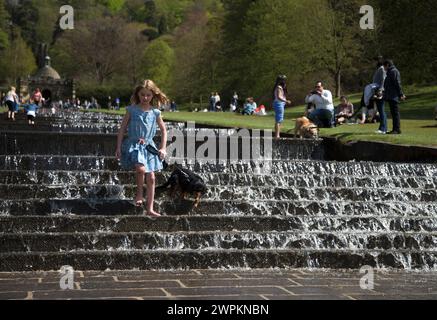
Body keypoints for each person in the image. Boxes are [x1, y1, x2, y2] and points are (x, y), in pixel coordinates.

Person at [116, 80, 168, 217]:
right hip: (134, 144)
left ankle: (150, 208)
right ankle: (139, 194)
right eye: (142, 95)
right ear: (138, 94)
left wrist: (163, 148)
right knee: (140, 169)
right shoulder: (131, 110)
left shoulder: (155, 112)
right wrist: (118, 147)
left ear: (153, 96)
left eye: (148, 95)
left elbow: (164, 131)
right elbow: (122, 129)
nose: (145, 98)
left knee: (151, 178)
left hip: (149, 146)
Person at [383, 59, 406, 134]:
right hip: (390, 95)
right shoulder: (390, 72)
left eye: (384, 66)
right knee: (393, 113)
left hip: (393, 96)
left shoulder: (394, 71)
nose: (384, 68)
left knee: (395, 113)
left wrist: (401, 94)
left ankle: (397, 129)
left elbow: (397, 83)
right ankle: (395, 129)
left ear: (387, 65)